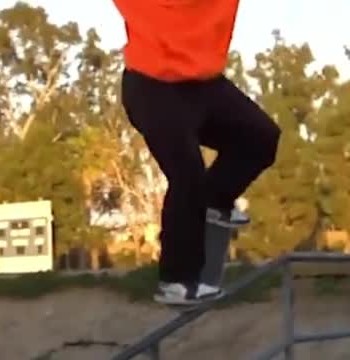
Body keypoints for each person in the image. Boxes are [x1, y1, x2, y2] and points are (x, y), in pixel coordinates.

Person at [112, 0, 281, 305]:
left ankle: (215, 200)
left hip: (205, 87)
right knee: (187, 175)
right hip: (153, 87)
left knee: (261, 137)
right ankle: (176, 281)